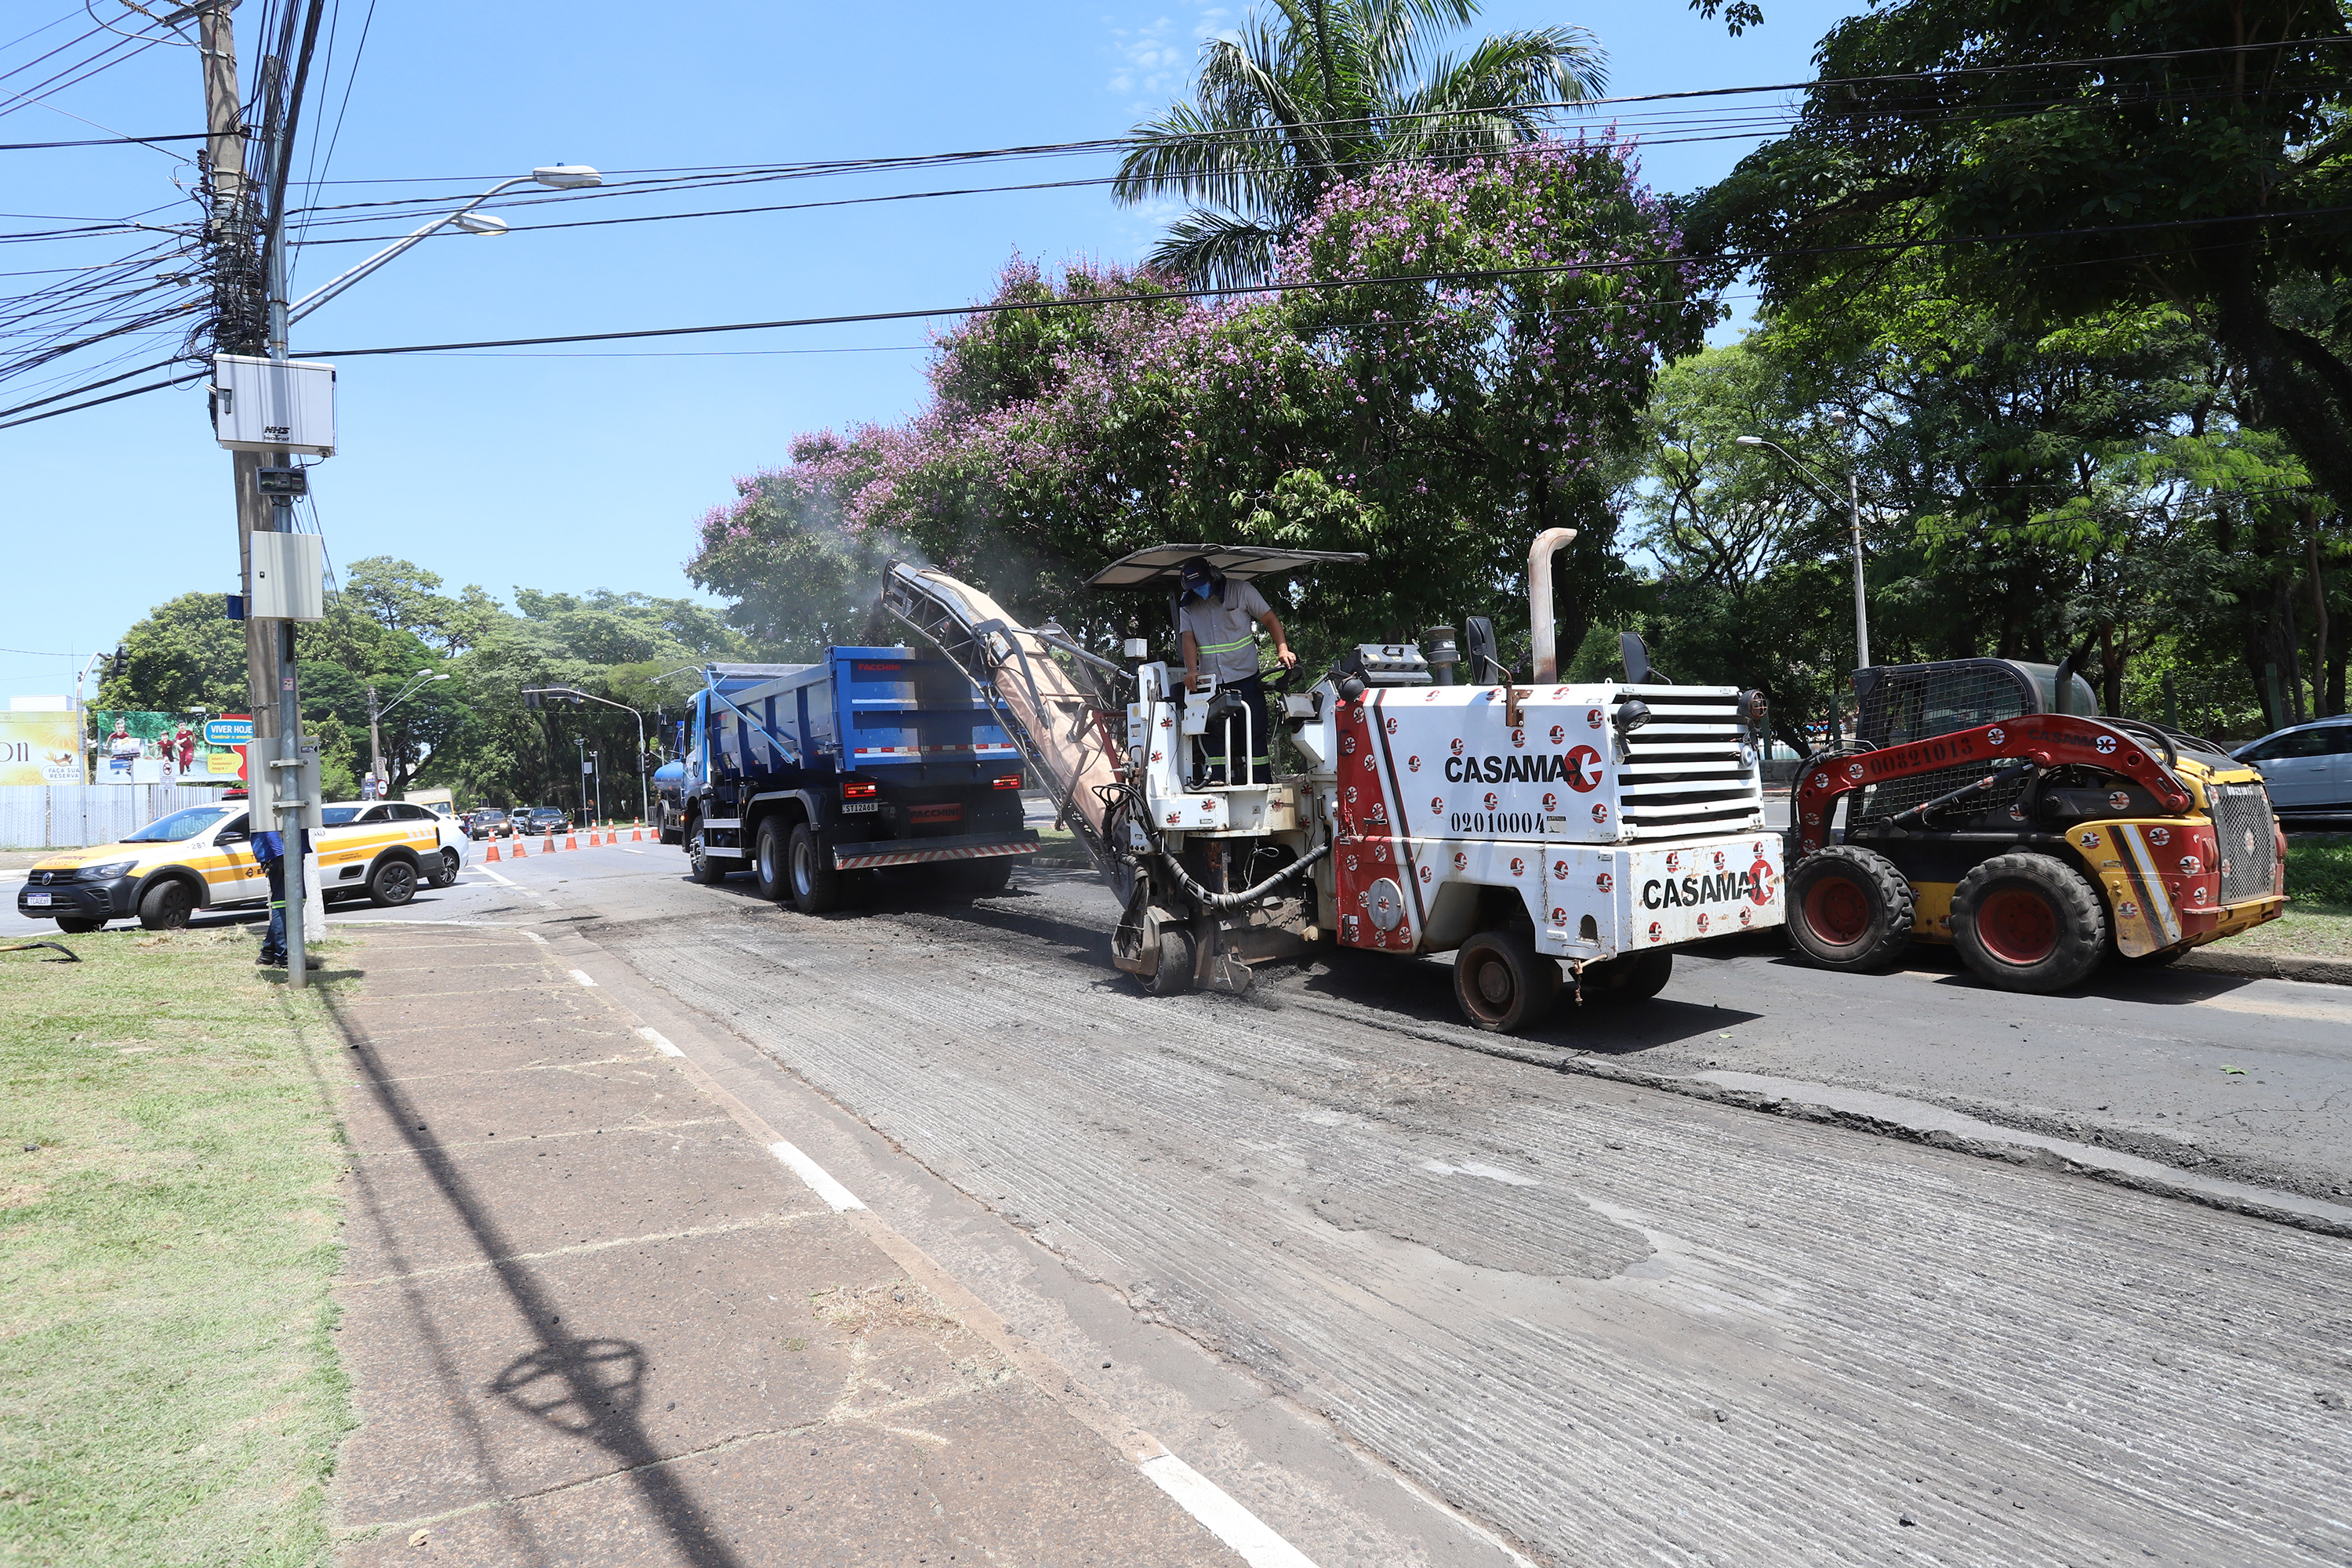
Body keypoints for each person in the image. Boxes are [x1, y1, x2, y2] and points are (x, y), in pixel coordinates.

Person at [1176, 555, 1297, 784]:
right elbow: (1188, 638)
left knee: (1253, 733)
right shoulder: (1188, 603)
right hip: (1212, 682)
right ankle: (1217, 780)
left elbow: (1269, 618)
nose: (1200, 590)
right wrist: (1192, 669)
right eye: (1194, 587)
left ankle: (1261, 781)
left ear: (1213, 576)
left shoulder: (1241, 591)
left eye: (1202, 584)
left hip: (1246, 677)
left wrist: (1283, 649)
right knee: (1215, 735)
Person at [252, 822, 319, 970]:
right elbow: (270, 823)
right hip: (282, 852)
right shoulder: (272, 797)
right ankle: (286, 957)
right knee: (286, 903)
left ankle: (269, 952)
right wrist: (281, 854)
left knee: (289, 901)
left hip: (286, 849)